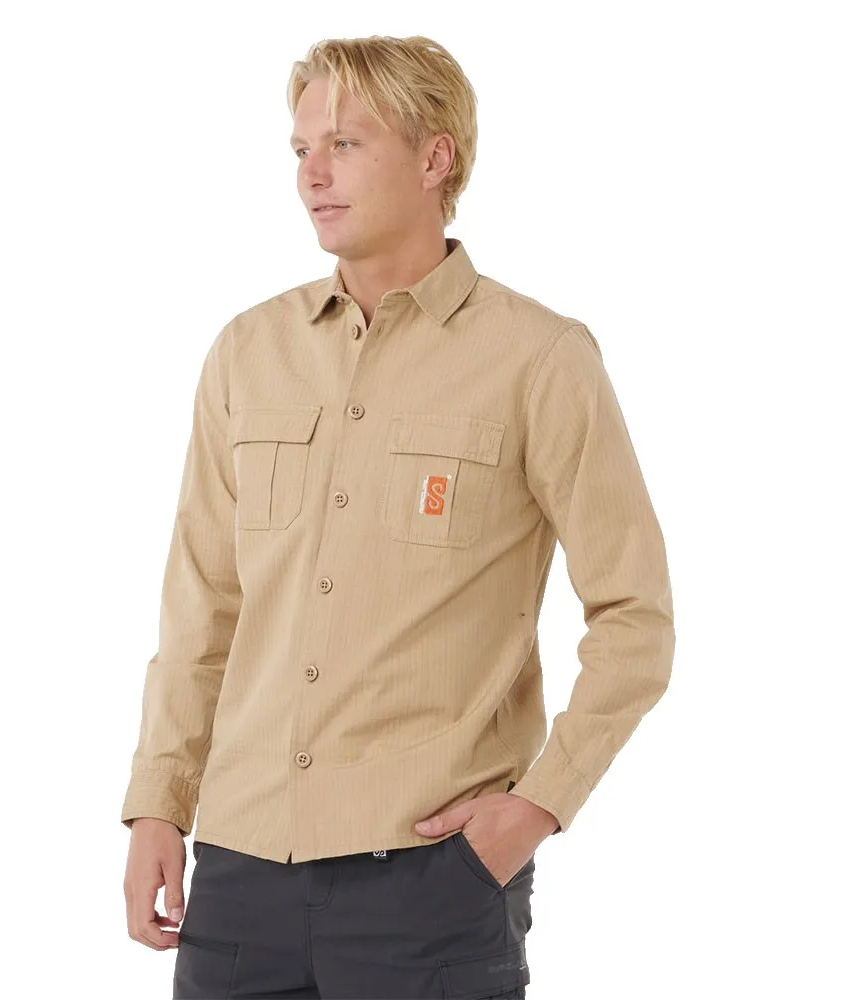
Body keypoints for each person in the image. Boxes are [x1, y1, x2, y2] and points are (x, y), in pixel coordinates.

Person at [122, 33, 675, 1000]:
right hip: (240, 876)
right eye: (301, 150)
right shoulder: (246, 353)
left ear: (434, 158)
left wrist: (537, 807)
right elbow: (202, 609)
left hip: (430, 879)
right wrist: (158, 806)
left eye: (344, 145)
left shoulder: (540, 359)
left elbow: (636, 618)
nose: (312, 175)